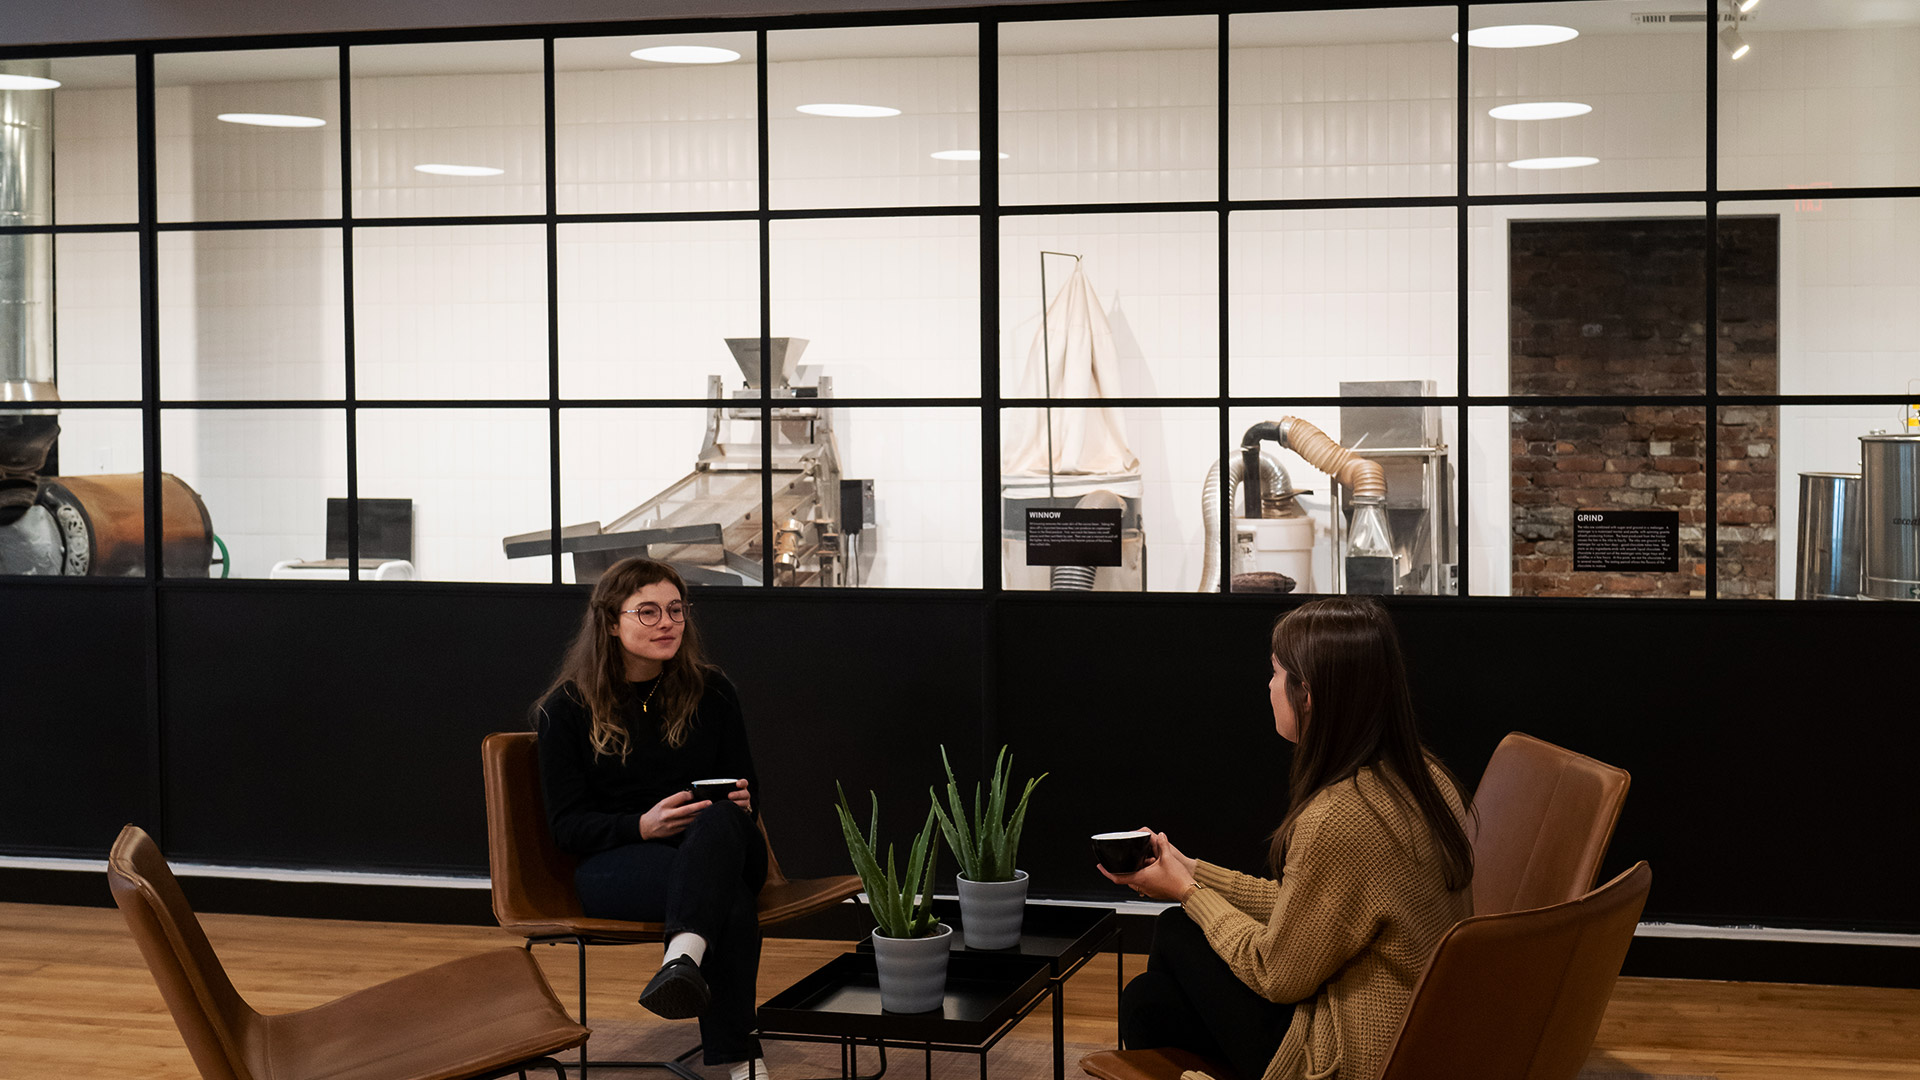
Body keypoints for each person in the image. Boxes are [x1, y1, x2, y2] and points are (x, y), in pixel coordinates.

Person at [1101, 596, 1474, 1080]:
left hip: (1352, 1053)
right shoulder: (1425, 777)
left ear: (1308, 694)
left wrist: (1188, 893)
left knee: (1158, 972)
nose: (1269, 685)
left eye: (1276, 672)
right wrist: (1191, 871)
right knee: (1156, 980)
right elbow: (1313, 911)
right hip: (1412, 1027)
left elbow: (1276, 973)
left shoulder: (1341, 816)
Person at [533, 556, 771, 1080]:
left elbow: (749, 792)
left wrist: (741, 803)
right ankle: (739, 1059)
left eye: (676, 609)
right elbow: (567, 827)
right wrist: (641, 825)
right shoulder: (565, 709)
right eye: (648, 612)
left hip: (721, 845)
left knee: (719, 819)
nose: (667, 623)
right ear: (610, 622)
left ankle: (680, 961)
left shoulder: (713, 692)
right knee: (727, 901)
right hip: (622, 860)